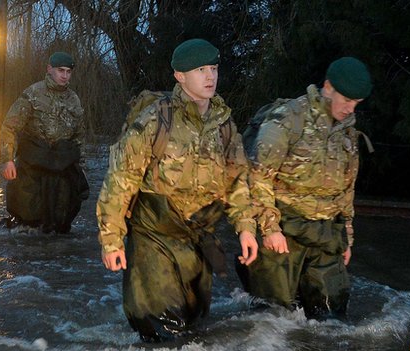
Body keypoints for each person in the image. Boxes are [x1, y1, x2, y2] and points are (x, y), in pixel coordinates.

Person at [96, 38, 259, 342]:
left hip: (198, 236)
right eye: (201, 70)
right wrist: (112, 240)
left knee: (193, 327)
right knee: (162, 328)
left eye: (213, 68)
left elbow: (237, 182)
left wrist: (246, 229)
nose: (210, 76)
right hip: (153, 236)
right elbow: (120, 179)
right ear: (180, 76)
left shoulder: (224, 124)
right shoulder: (155, 120)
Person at [241, 57, 372, 319]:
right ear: (328, 87)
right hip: (284, 232)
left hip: (326, 234)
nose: (350, 108)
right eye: (346, 100)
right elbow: (257, 177)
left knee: (331, 320)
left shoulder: (347, 132)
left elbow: (346, 190)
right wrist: (269, 229)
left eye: (356, 103)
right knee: (273, 318)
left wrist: (347, 237)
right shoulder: (289, 118)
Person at [0, 52, 87, 234]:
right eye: (60, 70)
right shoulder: (33, 94)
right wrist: (7, 159)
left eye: (68, 72)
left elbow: (79, 135)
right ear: (49, 69)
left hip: (62, 165)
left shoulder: (73, 99)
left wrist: (81, 165)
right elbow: (10, 127)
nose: (64, 75)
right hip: (34, 163)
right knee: (29, 216)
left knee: (62, 216)